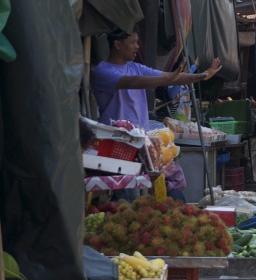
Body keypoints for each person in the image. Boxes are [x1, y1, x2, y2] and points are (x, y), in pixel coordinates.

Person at [91, 30, 221, 201]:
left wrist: (201, 76)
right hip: (116, 145)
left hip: (142, 144)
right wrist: (168, 79)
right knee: (128, 197)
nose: (138, 46)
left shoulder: (136, 67)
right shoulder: (102, 71)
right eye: (133, 42)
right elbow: (132, 82)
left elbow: (166, 76)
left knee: (151, 194)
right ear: (117, 45)